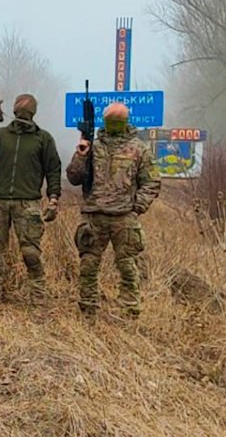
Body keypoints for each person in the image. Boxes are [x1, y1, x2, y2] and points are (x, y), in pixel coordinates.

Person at [66, 101, 160, 317]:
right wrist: (81, 154)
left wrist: (136, 208)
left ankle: (129, 311)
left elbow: (152, 182)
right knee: (88, 266)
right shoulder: (93, 146)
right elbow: (73, 177)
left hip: (123, 218)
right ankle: (87, 311)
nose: (113, 125)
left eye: (117, 121)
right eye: (110, 121)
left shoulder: (139, 149)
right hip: (93, 216)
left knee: (128, 267)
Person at [0, 93, 62, 304]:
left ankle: (38, 297)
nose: (23, 109)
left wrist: (54, 198)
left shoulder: (43, 138)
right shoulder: (1, 135)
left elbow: (53, 170)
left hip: (27, 202)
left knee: (31, 253)